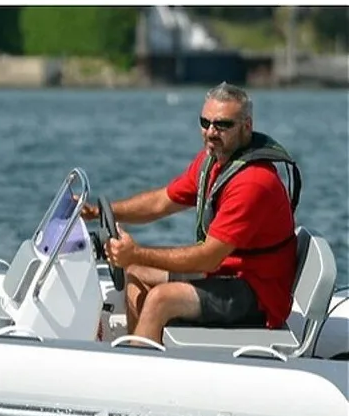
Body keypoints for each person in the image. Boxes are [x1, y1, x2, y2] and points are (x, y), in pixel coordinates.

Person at [81, 82, 301, 344]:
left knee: (162, 299)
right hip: (226, 273)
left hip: (257, 293)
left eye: (222, 125)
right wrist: (99, 212)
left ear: (247, 126)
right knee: (136, 272)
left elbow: (207, 258)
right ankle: (143, 349)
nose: (210, 132)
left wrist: (136, 252)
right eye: (205, 122)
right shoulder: (212, 161)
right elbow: (161, 202)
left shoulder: (253, 183)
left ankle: (139, 373)